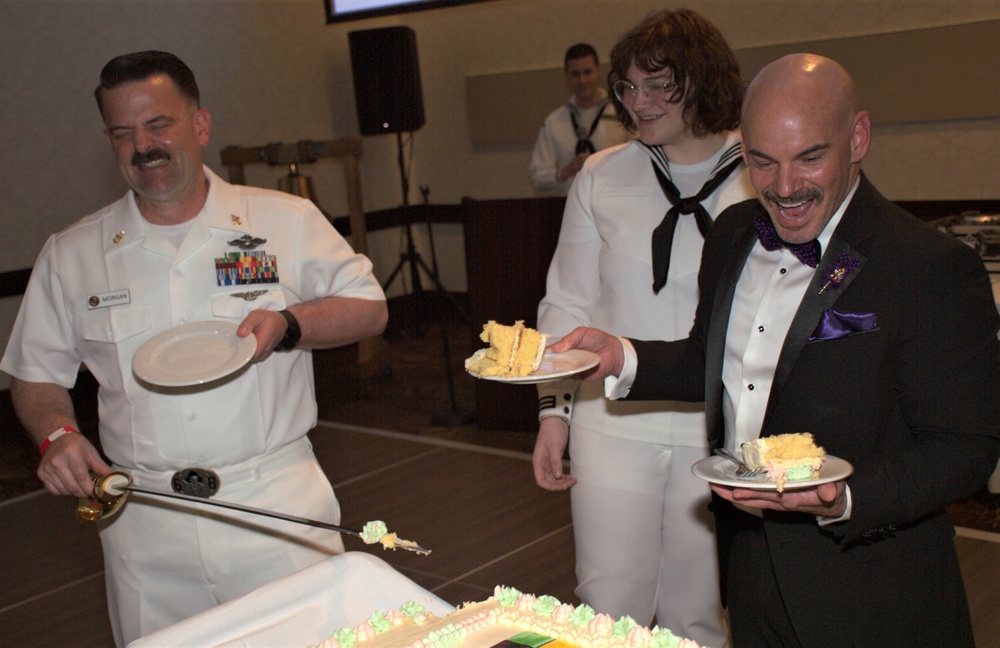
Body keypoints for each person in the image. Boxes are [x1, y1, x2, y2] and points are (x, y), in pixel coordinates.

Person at [548, 53, 1000, 646]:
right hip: (750, 572)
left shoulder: (929, 267)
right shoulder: (735, 232)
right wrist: (621, 355)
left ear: (857, 137)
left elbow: (967, 448)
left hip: (872, 589)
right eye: (762, 162)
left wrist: (844, 498)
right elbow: (711, 365)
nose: (784, 189)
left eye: (809, 157)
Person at [0, 51, 388, 646]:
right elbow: (34, 374)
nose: (144, 146)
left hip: (274, 504)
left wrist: (289, 322)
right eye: (124, 133)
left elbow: (369, 306)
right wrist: (57, 435)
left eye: (159, 125)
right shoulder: (72, 254)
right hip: (146, 524)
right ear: (109, 141)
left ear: (200, 125)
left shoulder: (281, 219)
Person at [533, 10, 752, 647]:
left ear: (703, 81)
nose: (639, 102)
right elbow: (565, 305)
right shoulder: (602, 176)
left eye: (661, 85)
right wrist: (554, 413)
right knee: (606, 608)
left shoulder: (760, 173)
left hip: (715, 425)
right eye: (628, 87)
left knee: (698, 615)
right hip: (610, 422)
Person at [528, 43, 630, 195]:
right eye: (575, 74)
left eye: (587, 72)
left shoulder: (623, 113)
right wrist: (565, 172)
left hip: (616, 203)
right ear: (567, 76)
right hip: (570, 208)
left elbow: (642, 160)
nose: (582, 81)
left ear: (599, 70)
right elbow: (538, 178)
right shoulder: (553, 123)